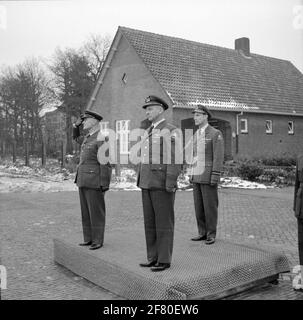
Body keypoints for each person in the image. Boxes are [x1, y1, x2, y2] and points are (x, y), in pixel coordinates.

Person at [137, 95, 182, 271]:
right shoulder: (149, 130)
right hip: (147, 182)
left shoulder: (171, 130)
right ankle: (153, 256)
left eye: (150, 108)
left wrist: (170, 182)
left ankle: (164, 259)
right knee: (150, 222)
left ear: (161, 110)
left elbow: (176, 159)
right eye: (146, 109)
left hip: (162, 182)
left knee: (163, 222)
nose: (147, 111)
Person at [73, 110, 112, 250]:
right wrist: (75, 127)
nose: (83, 122)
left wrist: (104, 183)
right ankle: (88, 238)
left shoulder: (101, 138)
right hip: (83, 179)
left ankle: (97, 240)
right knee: (86, 212)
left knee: (96, 212)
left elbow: (105, 163)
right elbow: (76, 138)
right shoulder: (87, 137)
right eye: (82, 120)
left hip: (95, 180)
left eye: (86, 120)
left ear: (94, 121)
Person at [189, 105, 224, 245]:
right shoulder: (196, 134)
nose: (195, 118)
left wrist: (215, 175)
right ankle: (202, 232)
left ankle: (211, 234)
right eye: (195, 115)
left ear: (205, 116)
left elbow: (218, 157)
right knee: (199, 206)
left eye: (198, 115)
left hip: (208, 174)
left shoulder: (215, 133)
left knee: (210, 206)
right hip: (197, 175)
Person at [293, 154, 303, 291]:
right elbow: (296, 184)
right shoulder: (300, 158)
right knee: (302, 243)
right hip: (302, 206)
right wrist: (295, 206)